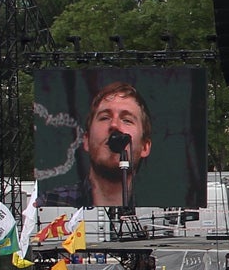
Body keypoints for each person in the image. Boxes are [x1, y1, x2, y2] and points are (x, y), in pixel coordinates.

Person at [43, 80, 155, 208]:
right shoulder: (49, 202)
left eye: (126, 120)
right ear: (86, 140)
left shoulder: (159, 205)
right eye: (105, 117)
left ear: (145, 147)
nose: (114, 125)